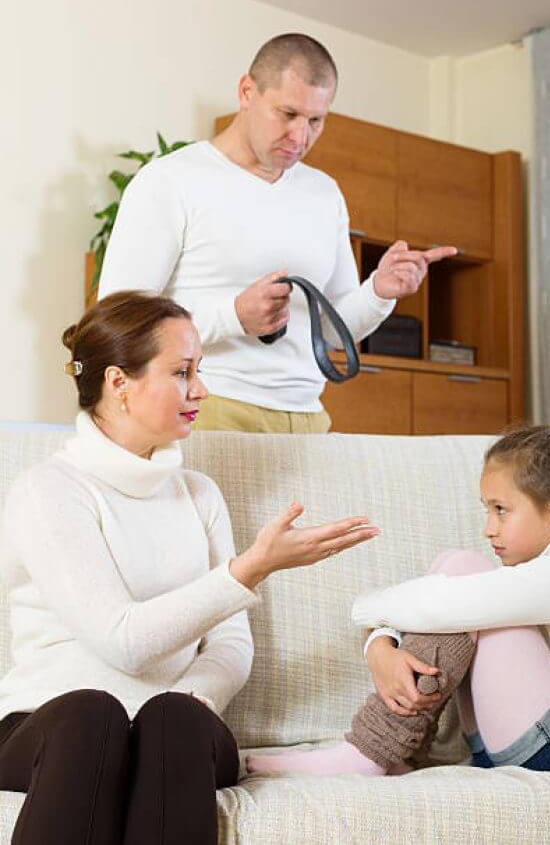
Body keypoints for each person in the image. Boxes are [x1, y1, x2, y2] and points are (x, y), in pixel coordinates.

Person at [0, 290, 380, 845]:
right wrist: (247, 571)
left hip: (173, 734)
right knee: (92, 716)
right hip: (52, 727)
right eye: (182, 372)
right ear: (118, 383)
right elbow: (123, 642)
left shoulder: (199, 494)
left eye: (199, 371)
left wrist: (190, 699)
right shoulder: (50, 491)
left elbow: (231, 644)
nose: (201, 390)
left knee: (174, 721)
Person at [98, 33, 457, 433]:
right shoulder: (170, 181)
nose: (301, 137)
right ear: (246, 91)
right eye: (287, 114)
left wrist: (379, 291)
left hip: (307, 415)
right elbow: (117, 320)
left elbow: (332, 332)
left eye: (316, 121)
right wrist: (234, 316)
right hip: (209, 406)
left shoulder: (324, 193)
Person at [248, 421, 550, 780]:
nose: (489, 529)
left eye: (501, 511)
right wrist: (379, 645)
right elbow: (446, 601)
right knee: (457, 568)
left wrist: (366, 610)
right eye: (487, 510)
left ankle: (371, 751)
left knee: (465, 574)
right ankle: (397, 751)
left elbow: (446, 603)